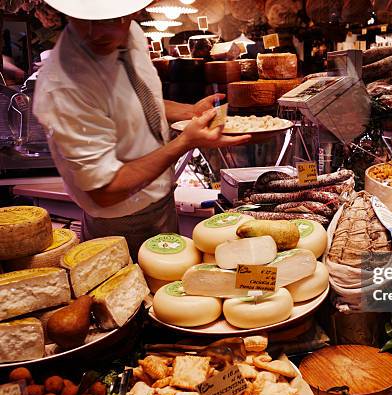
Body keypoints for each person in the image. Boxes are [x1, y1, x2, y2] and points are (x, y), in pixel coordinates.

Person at [33, 0, 250, 258]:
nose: (97, 32)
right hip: (120, 220)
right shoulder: (64, 86)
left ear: (132, 12)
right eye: (84, 19)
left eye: (110, 19)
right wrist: (183, 142)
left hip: (162, 202)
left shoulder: (132, 32)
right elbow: (105, 190)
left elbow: (136, 99)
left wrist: (189, 112)